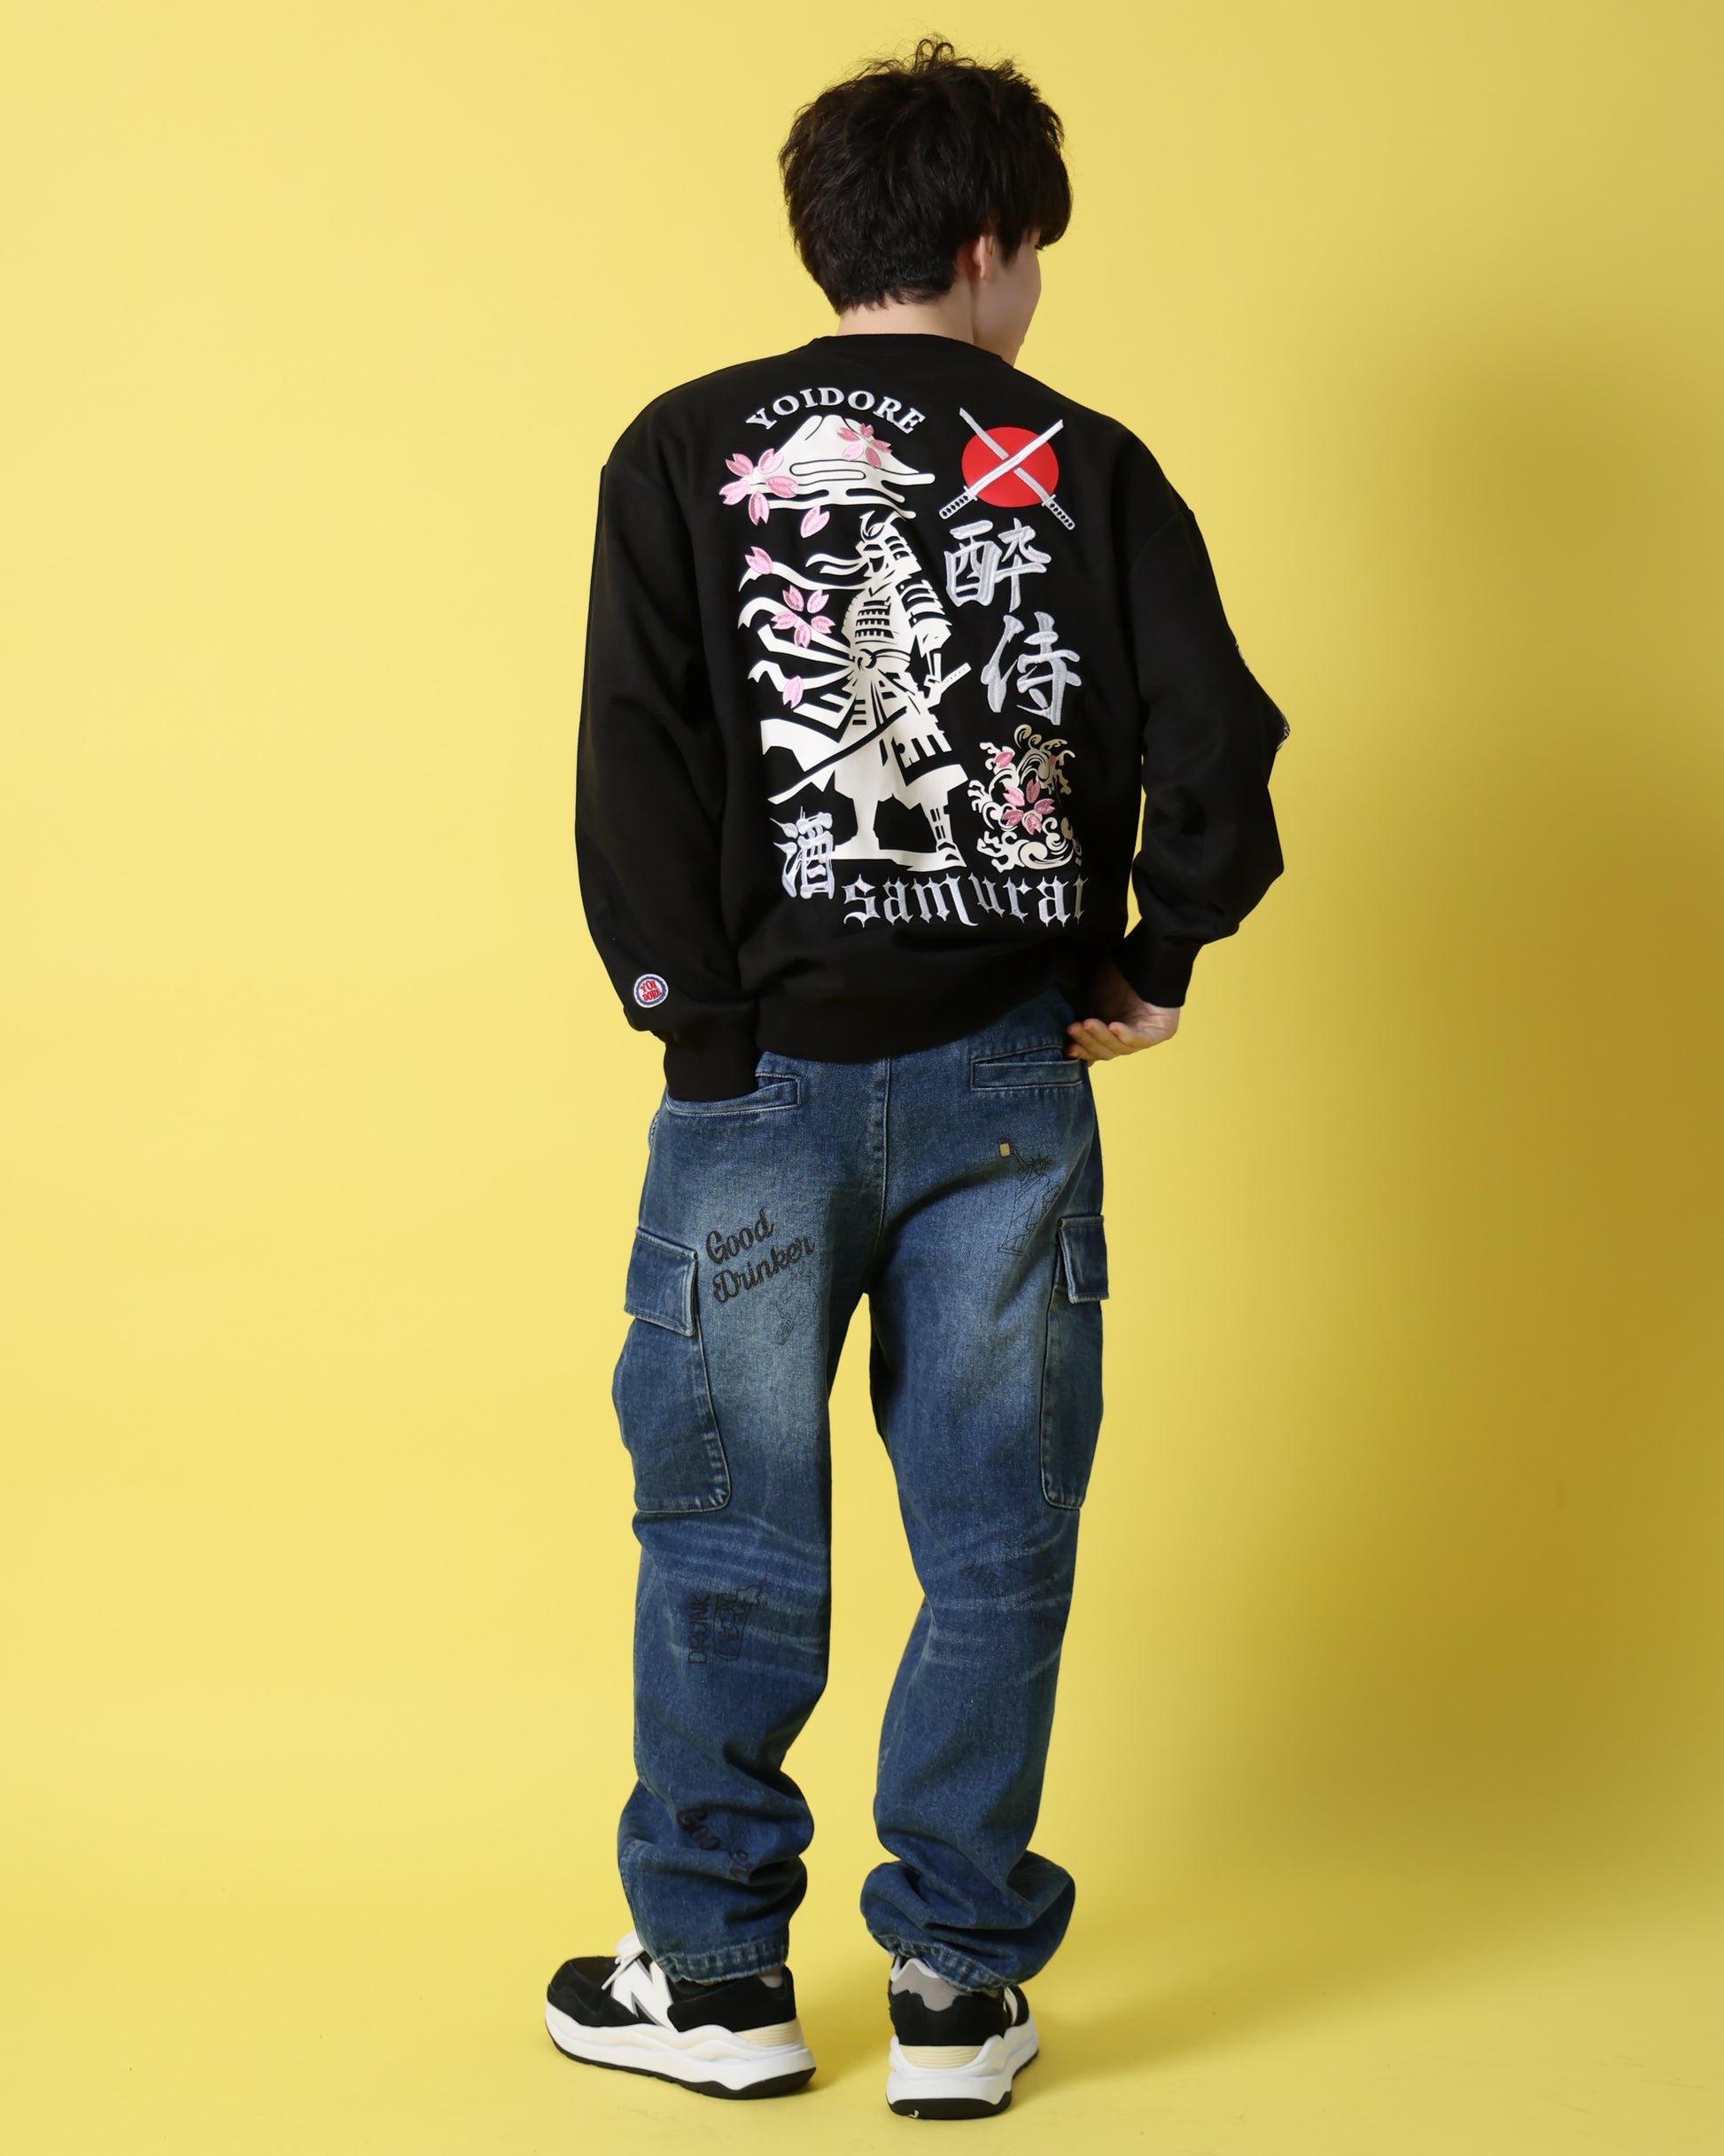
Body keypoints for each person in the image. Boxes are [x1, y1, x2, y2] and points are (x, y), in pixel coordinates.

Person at [544, 36, 1288, 2120]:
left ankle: (715, 1973)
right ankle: (957, 1981)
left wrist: (694, 1019)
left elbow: (634, 759)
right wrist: (1149, 956)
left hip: (754, 1089)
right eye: (1034, 254)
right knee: (996, 1537)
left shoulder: (681, 445)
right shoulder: (1087, 461)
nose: (1034, 291)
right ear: (987, 244)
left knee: (726, 1531)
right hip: (1010, 1081)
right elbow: (1219, 749)